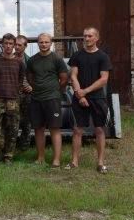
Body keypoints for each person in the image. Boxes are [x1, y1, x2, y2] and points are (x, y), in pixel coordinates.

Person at [67, 27, 112, 173]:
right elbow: (73, 76)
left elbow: (104, 79)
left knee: (99, 130)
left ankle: (100, 163)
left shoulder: (103, 57)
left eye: (90, 36)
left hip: (97, 98)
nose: (86, 39)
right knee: (77, 130)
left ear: (97, 38)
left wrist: (85, 92)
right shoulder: (77, 55)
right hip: (79, 97)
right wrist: (80, 96)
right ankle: (74, 161)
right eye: (85, 36)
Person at [26, 33, 68, 168]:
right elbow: (30, 77)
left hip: (52, 99)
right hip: (36, 98)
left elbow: (64, 79)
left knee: (54, 129)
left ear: (51, 43)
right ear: (37, 43)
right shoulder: (32, 60)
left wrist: (55, 90)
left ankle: (56, 160)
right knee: (38, 129)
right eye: (41, 42)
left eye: (46, 42)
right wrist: (36, 88)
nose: (43, 44)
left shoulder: (57, 59)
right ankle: (40, 157)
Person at [0, 33, 25, 164]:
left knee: (12, 130)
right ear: (2, 45)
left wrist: (15, 91)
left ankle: (8, 157)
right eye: (6, 44)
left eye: (11, 44)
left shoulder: (19, 62)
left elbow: (21, 80)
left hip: (13, 101)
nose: (8, 46)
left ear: (14, 45)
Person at [14, 35, 33, 150]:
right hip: (12, 94)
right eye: (15, 44)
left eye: (19, 45)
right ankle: (11, 146)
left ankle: (24, 146)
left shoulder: (30, 61)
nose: (16, 47)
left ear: (25, 46)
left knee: (26, 121)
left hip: (26, 95)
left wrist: (32, 87)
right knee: (12, 120)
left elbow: (36, 77)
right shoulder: (9, 58)